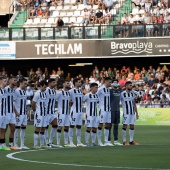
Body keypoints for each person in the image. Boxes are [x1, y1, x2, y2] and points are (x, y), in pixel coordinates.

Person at [69, 78, 86, 147]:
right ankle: (70, 142)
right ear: (75, 83)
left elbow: (83, 99)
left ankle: (79, 142)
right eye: (79, 82)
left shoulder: (80, 91)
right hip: (74, 111)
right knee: (72, 126)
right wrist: (70, 102)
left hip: (80, 111)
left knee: (79, 126)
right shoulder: (71, 91)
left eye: (80, 82)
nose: (80, 83)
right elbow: (67, 99)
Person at [120, 81, 139, 146]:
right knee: (125, 126)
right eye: (130, 85)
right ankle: (124, 141)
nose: (131, 86)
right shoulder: (122, 94)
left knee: (132, 126)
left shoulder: (132, 93)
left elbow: (134, 103)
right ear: (126, 86)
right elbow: (118, 102)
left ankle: (131, 141)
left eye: (131, 85)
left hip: (132, 113)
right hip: (126, 113)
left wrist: (136, 113)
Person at [13, 78, 29, 149]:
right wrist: (16, 112)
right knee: (16, 128)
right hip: (18, 113)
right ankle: (15, 144)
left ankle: (22, 144)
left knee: (23, 128)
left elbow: (25, 103)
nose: (26, 85)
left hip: (24, 113)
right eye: (25, 83)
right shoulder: (16, 91)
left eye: (26, 84)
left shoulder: (24, 92)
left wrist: (26, 112)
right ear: (21, 83)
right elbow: (13, 103)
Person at [32, 80, 49, 149]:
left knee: (43, 128)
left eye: (46, 87)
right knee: (38, 128)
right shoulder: (37, 93)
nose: (45, 88)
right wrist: (35, 111)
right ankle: (35, 144)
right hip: (39, 114)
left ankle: (42, 144)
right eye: (44, 87)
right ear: (41, 86)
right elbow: (33, 103)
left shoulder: (46, 93)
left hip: (44, 114)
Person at [97, 77, 113, 146]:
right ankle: (99, 141)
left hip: (108, 110)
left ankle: (106, 141)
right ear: (106, 81)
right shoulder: (100, 89)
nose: (110, 83)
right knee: (100, 124)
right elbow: (95, 96)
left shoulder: (109, 90)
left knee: (107, 124)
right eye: (109, 82)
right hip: (102, 109)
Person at [56, 80, 71, 147]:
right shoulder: (59, 93)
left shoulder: (69, 93)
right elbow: (54, 100)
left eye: (69, 83)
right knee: (60, 127)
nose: (68, 84)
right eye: (67, 83)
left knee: (67, 127)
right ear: (63, 84)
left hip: (67, 112)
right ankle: (58, 143)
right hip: (61, 112)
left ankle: (66, 142)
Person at [44, 78, 58, 148]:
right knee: (46, 127)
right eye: (53, 82)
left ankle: (50, 141)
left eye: (55, 82)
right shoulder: (46, 90)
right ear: (49, 83)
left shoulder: (54, 90)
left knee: (55, 125)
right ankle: (46, 143)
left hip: (52, 112)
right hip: (46, 112)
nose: (55, 83)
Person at [5, 76, 18, 149]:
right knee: (4, 129)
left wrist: (15, 112)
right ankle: (2, 144)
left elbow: (12, 102)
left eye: (16, 80)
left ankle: (10, 145)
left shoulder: (14, 90)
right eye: (14, 80)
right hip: (5, 112)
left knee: (13, 128)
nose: (16, 81)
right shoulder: (5, 89)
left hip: (11, 113)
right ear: (10, 81)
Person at [108, 80, 123, 146]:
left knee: (116, 125)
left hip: (117, 110)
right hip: (111, 110)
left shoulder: (120, 91)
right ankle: (108, 140)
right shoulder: (110, 91)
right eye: (114, 83)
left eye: (116, 83)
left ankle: (116, 140)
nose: (115, 84)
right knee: (110, 126)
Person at [0, 76, 10, 150]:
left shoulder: (5, 90)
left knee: (3, 129)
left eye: (6, 81)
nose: (6, 82)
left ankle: (2, 145)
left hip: (4, 113)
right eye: (4, 81)